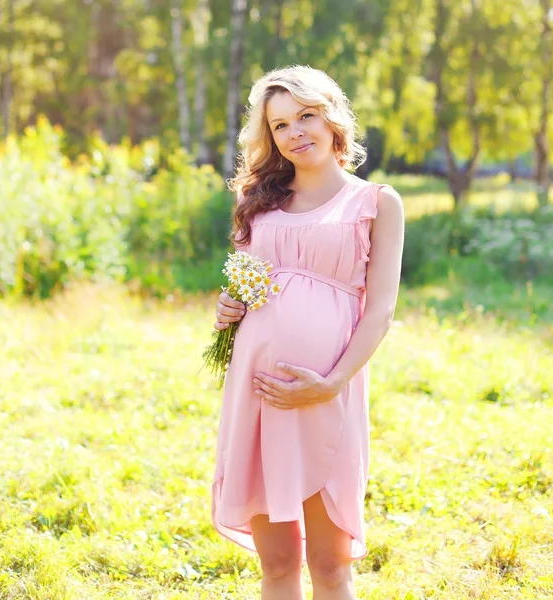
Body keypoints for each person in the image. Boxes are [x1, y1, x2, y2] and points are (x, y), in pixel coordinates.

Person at [211, 65, 404, 600]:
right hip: (259, 394)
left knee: (328, 561)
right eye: (279, 126)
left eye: (306, 116)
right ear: (268, 137)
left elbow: (380, 310)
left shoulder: (376, 202)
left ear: (332, 117)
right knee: (275, 563)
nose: (295, 132)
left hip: (326, 394)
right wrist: (228, 305)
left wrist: (331, 382)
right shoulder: (260, 201)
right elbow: (246, 285)